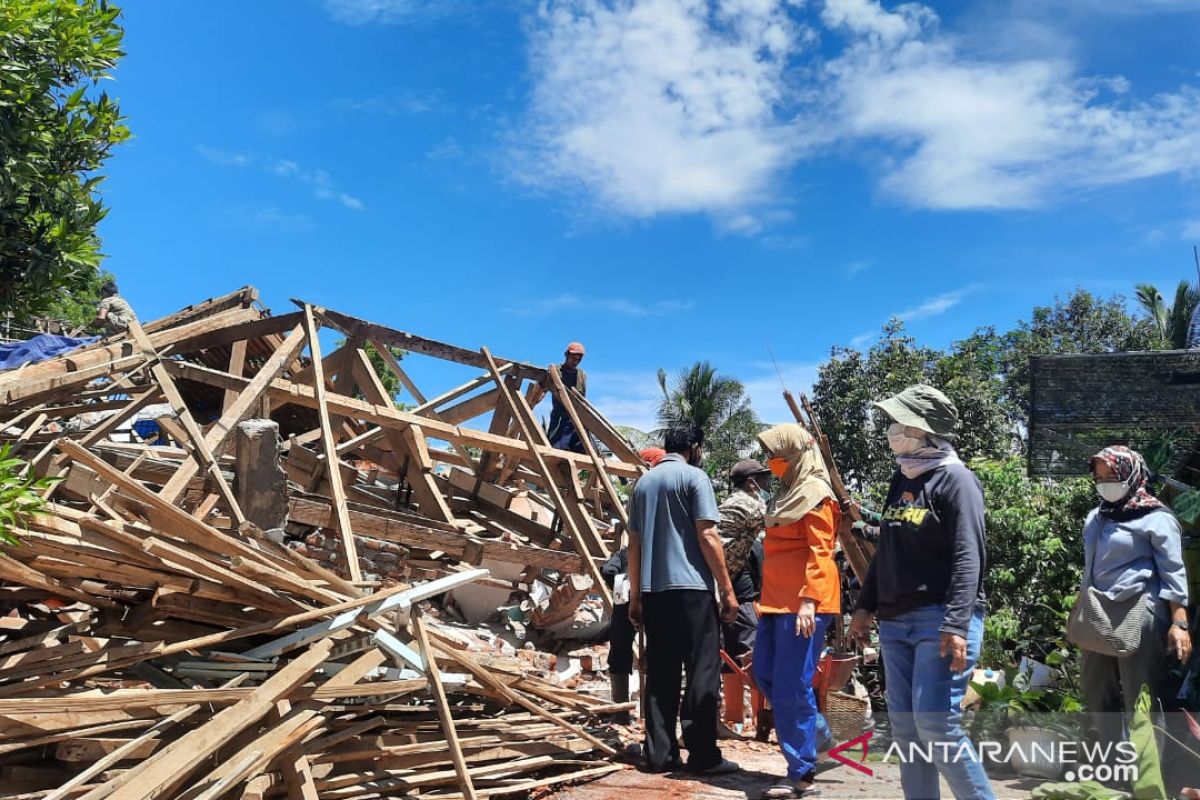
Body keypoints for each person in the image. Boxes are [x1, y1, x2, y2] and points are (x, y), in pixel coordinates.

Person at [848, 384, 995, 800]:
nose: (894, 430)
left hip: (940, 617)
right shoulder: (904, 476)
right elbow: (888, 547)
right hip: (895, 621)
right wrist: (865, 607)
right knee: (908, 730)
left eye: (902, 423)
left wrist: (956, 624)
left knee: (936, 724)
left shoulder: (957, 481)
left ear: (927, 430)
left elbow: (970, 557)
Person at [1075, 446, 1192, 789]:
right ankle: (1114, 781)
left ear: (1130, 474)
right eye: (1098, 477)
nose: (1103, 483)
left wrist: (1179, 623)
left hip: (1140, 613)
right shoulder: (1097, 516)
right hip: (1097, 616)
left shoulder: (1157, 519)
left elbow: (1174, 574)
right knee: (1098, 694)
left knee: (1141, 701)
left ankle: (1151, 783)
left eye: (1110, 476)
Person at [628, 424, 740, 775]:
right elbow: (707, 534)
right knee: (701, 673)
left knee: (660, 674)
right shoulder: (695, 478)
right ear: (693, 447)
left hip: (653, 592)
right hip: (692, 591)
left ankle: (659, 754)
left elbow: (633, 544)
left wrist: (635, 597)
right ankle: (703, 755)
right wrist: (728, 590)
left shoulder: (642, 484)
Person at [753, 424, 841, 799]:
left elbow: (822, 550)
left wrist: (809, 599)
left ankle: (801, 774)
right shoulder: (785, 495)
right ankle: (819, 735)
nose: (770, 463)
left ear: (793, 457)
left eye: (776, 455)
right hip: (775, 601)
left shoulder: (817, 494)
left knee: (791, 684)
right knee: (764, 675)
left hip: (804, 604)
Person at [601, 447, 667, 725]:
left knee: (622, 651)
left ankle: (621, 710)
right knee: (647, 652)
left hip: (629, 597)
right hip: (648, 596)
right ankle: (644, 712)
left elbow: (608, 571)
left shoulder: (629, 551)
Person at [717, 459, 772, 735]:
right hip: (733, 584)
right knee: (751, 649)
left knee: (727, 652)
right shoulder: (750, 504)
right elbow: (779, 520)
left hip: (719, 580)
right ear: (751, 483)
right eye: (763, 479)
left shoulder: (729, 503)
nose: (767, 484)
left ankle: (734, 715)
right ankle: (757, 716)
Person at [542, 342, 588, 453]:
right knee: (557, 450)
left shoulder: (581, 375)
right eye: (573, 357)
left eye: (579, 359)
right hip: (560, 418)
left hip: (576, 420)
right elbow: (540, 391)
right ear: (567, 355)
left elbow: (583, 399)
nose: (575, 361)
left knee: (583, 451)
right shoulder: (555, 371)